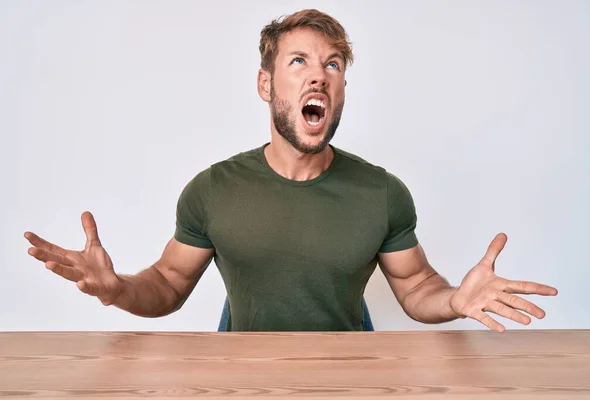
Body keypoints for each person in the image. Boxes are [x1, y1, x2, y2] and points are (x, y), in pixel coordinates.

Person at [24, 9, 557, 332]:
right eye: (298, 62)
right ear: (265, 85)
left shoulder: (382, 192)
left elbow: (417, 286)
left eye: (333, 65)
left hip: (351, 374)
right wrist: (116, 288)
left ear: (343, 87)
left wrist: (456, 302)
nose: (319, 77)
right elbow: (167, 283)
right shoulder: (212, 190)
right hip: (243, 374)